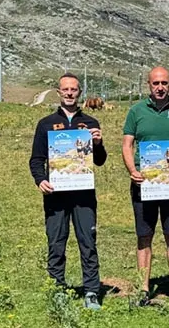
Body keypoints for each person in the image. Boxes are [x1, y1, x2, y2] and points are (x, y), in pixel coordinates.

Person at [29, 73, 107, 310]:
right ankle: (57, 288)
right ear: (59, 92)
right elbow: (36, 159)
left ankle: (91, 291)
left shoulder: (91, 123)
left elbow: (100, 161)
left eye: (74, 89)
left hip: (83, 195)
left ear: (80, 92)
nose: (70, 93)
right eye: (66, 89)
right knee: (56, 242)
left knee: (87, 242)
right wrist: (40, 180)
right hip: (56, 194)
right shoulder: (46, 124)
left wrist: (98, 144)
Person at [122, 67, 169, 307]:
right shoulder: (136, 111)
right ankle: (144, 290)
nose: (160, 87)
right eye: (156, 83)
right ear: (148, 84)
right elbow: (127, 144)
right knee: (144, 237)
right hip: (143, 184)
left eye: (164, 83)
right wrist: (132, 171)